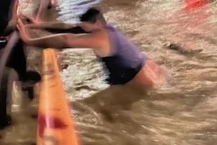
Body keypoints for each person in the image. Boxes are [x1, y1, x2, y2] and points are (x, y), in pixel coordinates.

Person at [16, 8, 166, 91]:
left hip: (143, 83)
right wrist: (39, 25)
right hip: (151, 70)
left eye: (85, 28)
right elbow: (70, 29)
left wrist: (28, 40)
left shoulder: (100, 37)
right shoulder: (107, 29)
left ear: (98, 24)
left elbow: (66, 40)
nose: (82, 31)